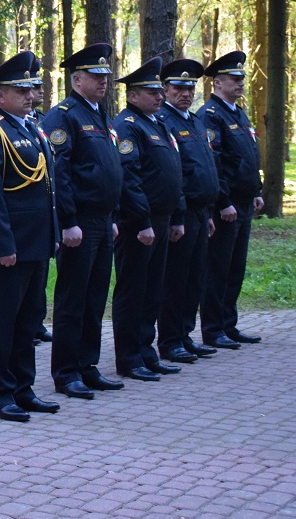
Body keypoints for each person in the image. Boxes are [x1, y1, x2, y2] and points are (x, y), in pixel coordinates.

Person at [0, 51, 58, 422]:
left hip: (34, 242)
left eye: (33, 89)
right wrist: (4, 245)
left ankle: (23, 387)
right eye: (23, 90)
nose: (31, 96)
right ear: (1, 95)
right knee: (1, 322)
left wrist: (51, 234)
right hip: (8, 246)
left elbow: (47, 188)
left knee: (28, 320)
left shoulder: (31, 127)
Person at [41, 42, 124, 400]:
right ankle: (66, 372)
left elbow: (107, 168)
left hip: (103, 221)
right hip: (80, 223)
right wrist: (68, 220)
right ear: (77, 79)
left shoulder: (99, 113)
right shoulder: (64, 115)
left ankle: (88, 366)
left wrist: (113, 217)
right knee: (73, 299)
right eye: (95, 76)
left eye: (105, 76)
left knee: (95, 297)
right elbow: (61, 173)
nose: (103, 81)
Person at [109, 58, 184, 382]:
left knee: (153, 290)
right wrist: (142, 222)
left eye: (158, 91)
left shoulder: (157, 122)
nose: (158, 96)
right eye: (151, 92)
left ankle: (146, 351)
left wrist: (176, 215)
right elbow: (130, 177)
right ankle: (128, 357)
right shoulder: (127, 125)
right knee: (133, 290)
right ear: (133, 95)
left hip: (161, 219)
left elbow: (173, 170)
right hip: (139, 224)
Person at [196, 50, 264, 348]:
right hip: (227, 206)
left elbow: (247, 158)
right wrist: (223, 202)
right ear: (217, 83)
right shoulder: (211, 116)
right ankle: (213, 328)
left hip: (245, 203)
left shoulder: (238, 113)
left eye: (241, 79)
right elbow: (215, 163)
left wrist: (257, 192)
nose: (240, 83)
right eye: (234, 79)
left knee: (235, 267)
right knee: (218, 268)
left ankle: (228, 324)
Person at [155, 59, 220, 363]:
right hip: (181, 211)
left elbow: (205, 166)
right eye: (179, 87)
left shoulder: (194, 121)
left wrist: (208, 213)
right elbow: (174, 173)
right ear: (165, 88)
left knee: (194, 278)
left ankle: (185, 334)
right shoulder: (164, 120)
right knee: (176, 279)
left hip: (200, 211)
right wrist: (178, 215)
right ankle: (170, 340)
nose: (186, 92)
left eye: (190, 87)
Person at [28, 55, 53, 345]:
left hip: (41, 215)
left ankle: (36, 322)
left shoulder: (42, 122)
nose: (38, 90)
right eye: (32, 86)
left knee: (39, 274)